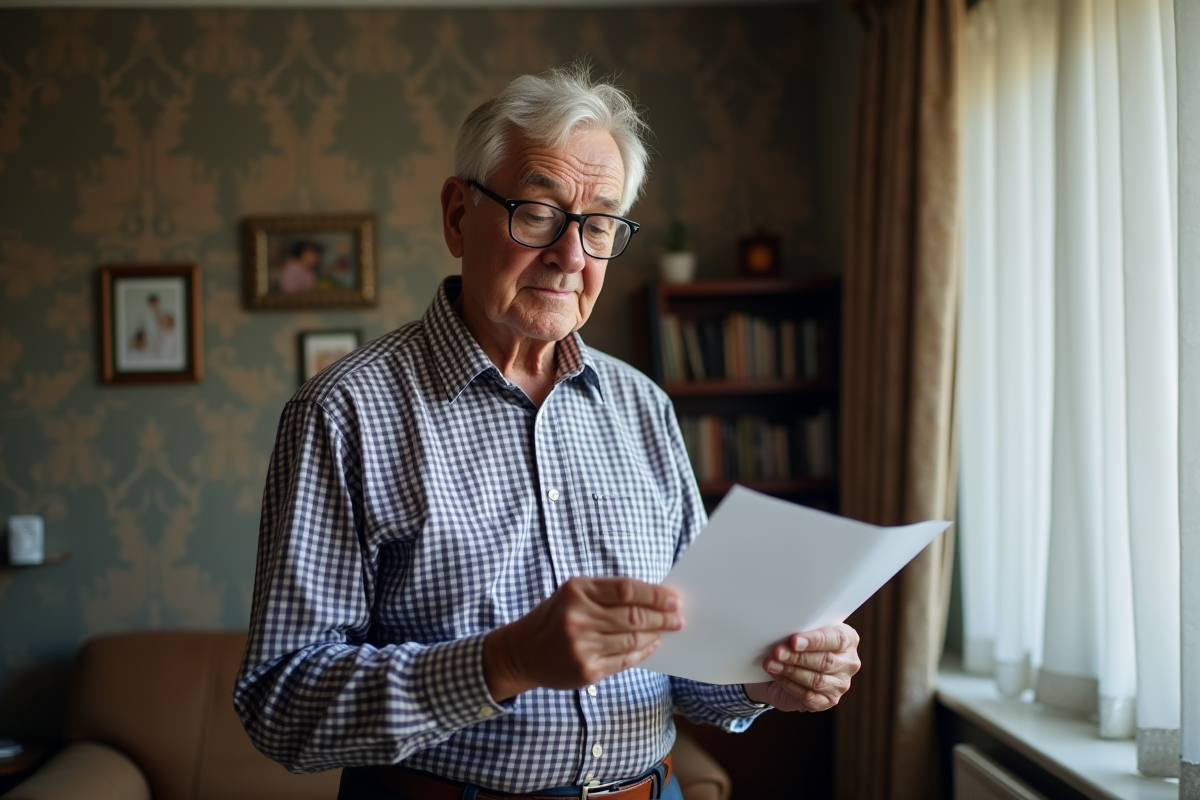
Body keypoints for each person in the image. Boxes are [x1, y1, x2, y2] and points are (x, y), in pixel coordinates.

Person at [235, 64, 861, 800]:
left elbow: (689, 664)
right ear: (457, 216)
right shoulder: (345, 412)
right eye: (537, 213)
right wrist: (504, 662)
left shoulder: (643, 407)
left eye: (598, 225)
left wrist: (765, 679)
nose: (571, 256)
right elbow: (282, 704)